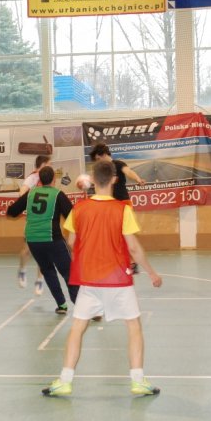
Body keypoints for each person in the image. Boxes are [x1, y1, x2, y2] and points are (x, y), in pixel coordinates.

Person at [42, 161, 162, 396]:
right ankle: (138, 381)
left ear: (93, 180)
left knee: (77, 328)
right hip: (118, 280)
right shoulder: (123, 210)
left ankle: (65, 381)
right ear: (115, 179)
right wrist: (151, 272)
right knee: (133, 326)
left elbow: (71, 242)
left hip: (89, 280)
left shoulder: (79, 209)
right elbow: (133, 248)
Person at [7, 166, 78, 314]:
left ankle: (61, 305)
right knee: (68, 272)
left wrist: (12, 209)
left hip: (33, 240)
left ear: (39, 180)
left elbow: (12, 212)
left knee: (48, 271)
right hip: (52, 238)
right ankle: (81, 305)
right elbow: (72, 216)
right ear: (54, 179)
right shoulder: (58, 194)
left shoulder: (31, 193)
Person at [89, 142, 146, 273]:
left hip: (123, 204)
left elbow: (128, 171)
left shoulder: (118, 164)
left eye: (98, 158)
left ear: (104, 154)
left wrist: (138, 179)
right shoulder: (102, 170)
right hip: (109, 205)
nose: (98, 162)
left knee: (126, 234)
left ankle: (132, 262)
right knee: (112, 234)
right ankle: (120, 261)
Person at [16, 155, 51, 295]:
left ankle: (40, 280)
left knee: (44, 253)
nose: (51, 167)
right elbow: (21, 193)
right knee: (27, 250)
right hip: (33, 221)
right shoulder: (33, 178)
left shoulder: (49, 179)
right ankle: (22, 270)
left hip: (46, 221)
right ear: (42, 165)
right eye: (49, 164)